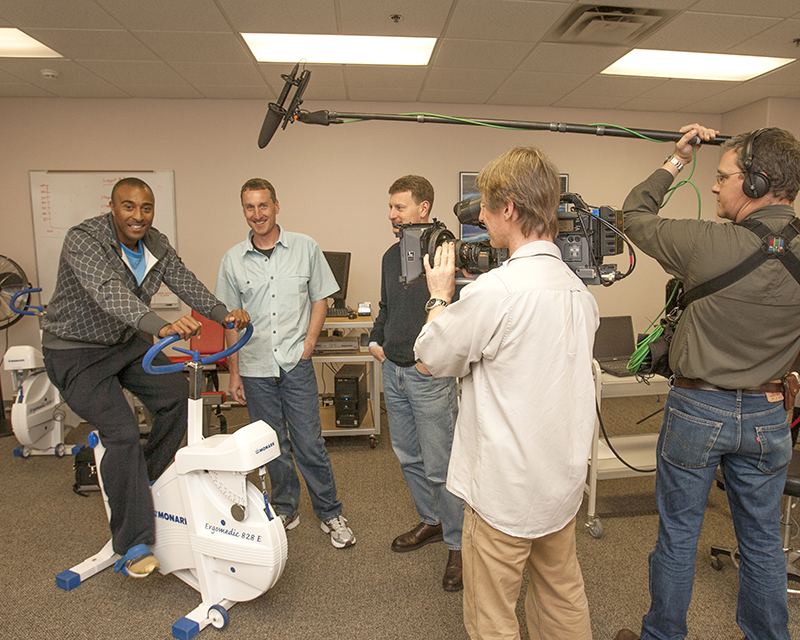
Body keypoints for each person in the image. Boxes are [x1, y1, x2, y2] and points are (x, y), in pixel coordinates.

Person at [615, 124, 800, 640]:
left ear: (758, 184)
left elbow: (635, 214)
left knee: (679, 535)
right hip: (769, 416)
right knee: (762, 541)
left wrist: (677, 160)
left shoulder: (705, 244)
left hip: (698, 411)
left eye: (724, 177)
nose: (715, 187)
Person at [414, 147, 598, 639]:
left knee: (492, 615)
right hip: (559, 486)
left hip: (503, 495)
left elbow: (429, 357)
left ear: (510, 209)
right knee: (561, 598)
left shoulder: (496, 292)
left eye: (486, 207)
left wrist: (438, 295)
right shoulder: (581, 294)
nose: (480, 217)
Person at [41, 177, 250, 578]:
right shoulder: (84, 239)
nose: (138, 216)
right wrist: (160, 325)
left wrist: (222, 312)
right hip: (75, 350)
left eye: (146, 208)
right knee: (120, 432)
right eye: (129, 207)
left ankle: (146, 484)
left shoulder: (155, 242)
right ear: (113, 207)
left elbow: (184, 280)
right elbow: (108, 292)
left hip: (122, 342)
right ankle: (133, 542)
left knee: (177, 397)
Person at [215, 178, 355, 549]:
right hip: (255, 366)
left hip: (295, 363)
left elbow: (321, 299)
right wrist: (233, 373)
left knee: (309, 442)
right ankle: (285, 507)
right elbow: (230, 320)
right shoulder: (232, 260)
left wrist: (309, 344)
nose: (257, 214)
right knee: (272, 443)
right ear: (243, 210)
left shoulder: (305, 247)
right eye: (250, 207)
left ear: (277, 205)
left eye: (263, 206)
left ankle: (329, 512)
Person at [368, 175, 464, 591]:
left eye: (399, 207)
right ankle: (432, 520)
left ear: (423, 208)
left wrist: (431, 361)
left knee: (442, 466)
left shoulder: (449, 256)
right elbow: (387, 307)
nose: (391, 214)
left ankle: (458, 545)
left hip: (429, 378)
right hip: (394, 370)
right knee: (408, 456)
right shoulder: (392, 256)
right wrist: (377, 340)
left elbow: (461, 319)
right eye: (390, 207)